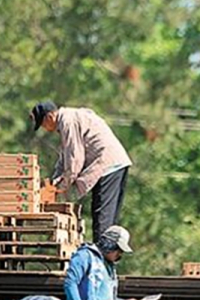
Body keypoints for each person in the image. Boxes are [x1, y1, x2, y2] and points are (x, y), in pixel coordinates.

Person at [30, 101, 133, 242]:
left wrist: (60, 189)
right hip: (117, 163)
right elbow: (64, 158)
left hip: (108, 165)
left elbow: (74, 161)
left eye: (43, 125)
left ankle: (100, 261)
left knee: (102, 222)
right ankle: (107, 260)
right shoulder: (70, 118)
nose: (45, 129)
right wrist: (53, 182)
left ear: (49, 117)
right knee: (109, 224)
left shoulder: (67, 122)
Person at [64, 225, 131, 300]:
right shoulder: (85, 256)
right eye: (119, 250)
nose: (120, 255)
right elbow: (70, 283)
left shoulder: (109, 266)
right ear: (110, 244)